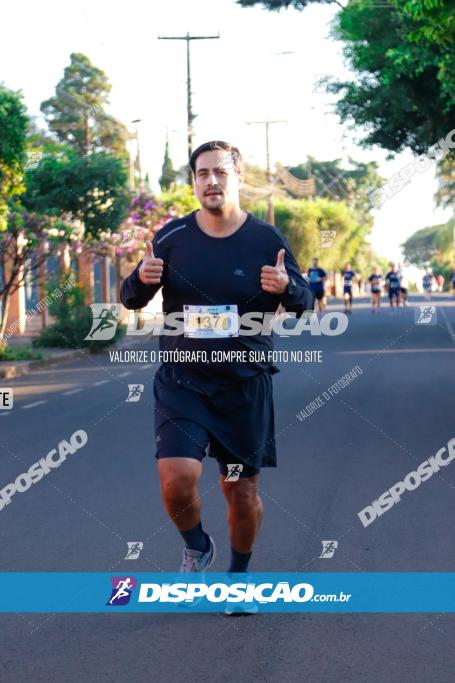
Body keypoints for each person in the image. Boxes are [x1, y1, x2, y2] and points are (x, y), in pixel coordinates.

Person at [120, 141, 314, 613]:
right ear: (193, 181)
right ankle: (196, 547)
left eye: (220, 173)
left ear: (237, 178)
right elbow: (130, 299)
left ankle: (238, 579)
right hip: (183, 384)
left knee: (238, 489)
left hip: (242, 388)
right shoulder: (172, 237)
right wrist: (141, 280)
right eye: (202, 173)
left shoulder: (267, 240)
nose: (211, 181)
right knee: (176, 477)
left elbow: (305, 300)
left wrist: (288, 288)